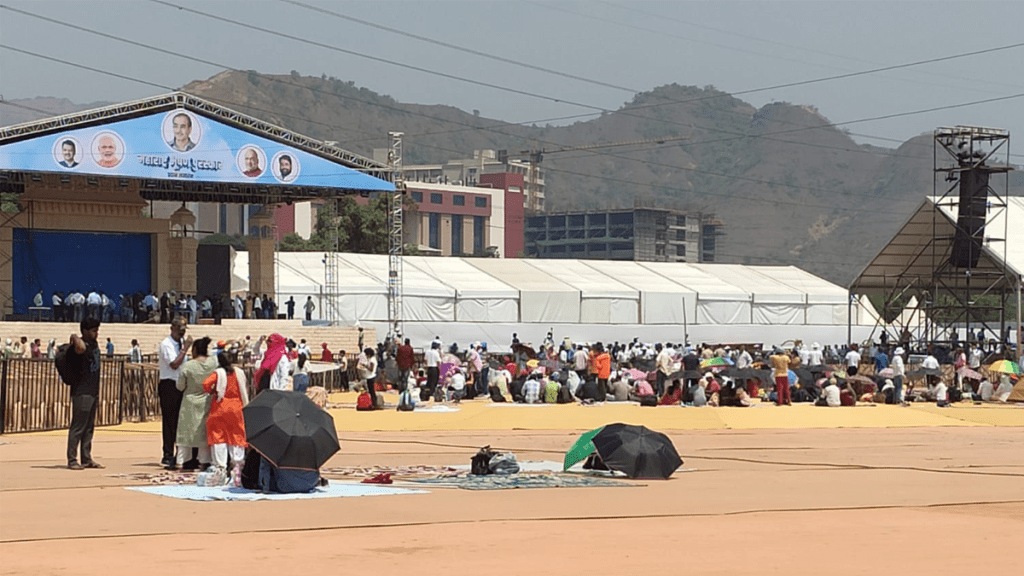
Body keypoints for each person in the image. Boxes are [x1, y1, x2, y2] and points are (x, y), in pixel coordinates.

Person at [202, 348, 249, 486]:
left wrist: (213, 391)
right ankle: (237, 467)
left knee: (219, 436)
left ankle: (220, 467)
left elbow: (205, 384)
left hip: (220, 407)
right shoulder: (239, 373)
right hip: (236, 407)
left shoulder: (219, 373)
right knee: (237, 436)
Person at [65, 318, 104, 470]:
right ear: (85, 331)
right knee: (78, 426)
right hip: (82, 392)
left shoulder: (94, 345)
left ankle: (86, 458)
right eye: (93, 331)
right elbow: (80, 347)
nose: (96, 333)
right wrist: (75, 336)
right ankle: (72, 459)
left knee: (89, 427)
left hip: (93, 390)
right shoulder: (78, 347)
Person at [175, 337, 217, 471]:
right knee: (204, 433)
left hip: (190, 401)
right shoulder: (213, 363)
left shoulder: (188, 365)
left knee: (185, 432)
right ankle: (204, 460)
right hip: (207, 399)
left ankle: (181, 460)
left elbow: (180, 386)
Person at [158, 318, 192, 469]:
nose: (182, 332)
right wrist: (185, 348)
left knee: (180, 420)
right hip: (169, 384)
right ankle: (167, 453)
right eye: (180, 329)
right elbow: (174, 364)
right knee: (169, 420)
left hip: (180, 384)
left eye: (184, 329)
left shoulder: (180, 344)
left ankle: (181, 453)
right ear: (172, 328)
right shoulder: (167, 344)